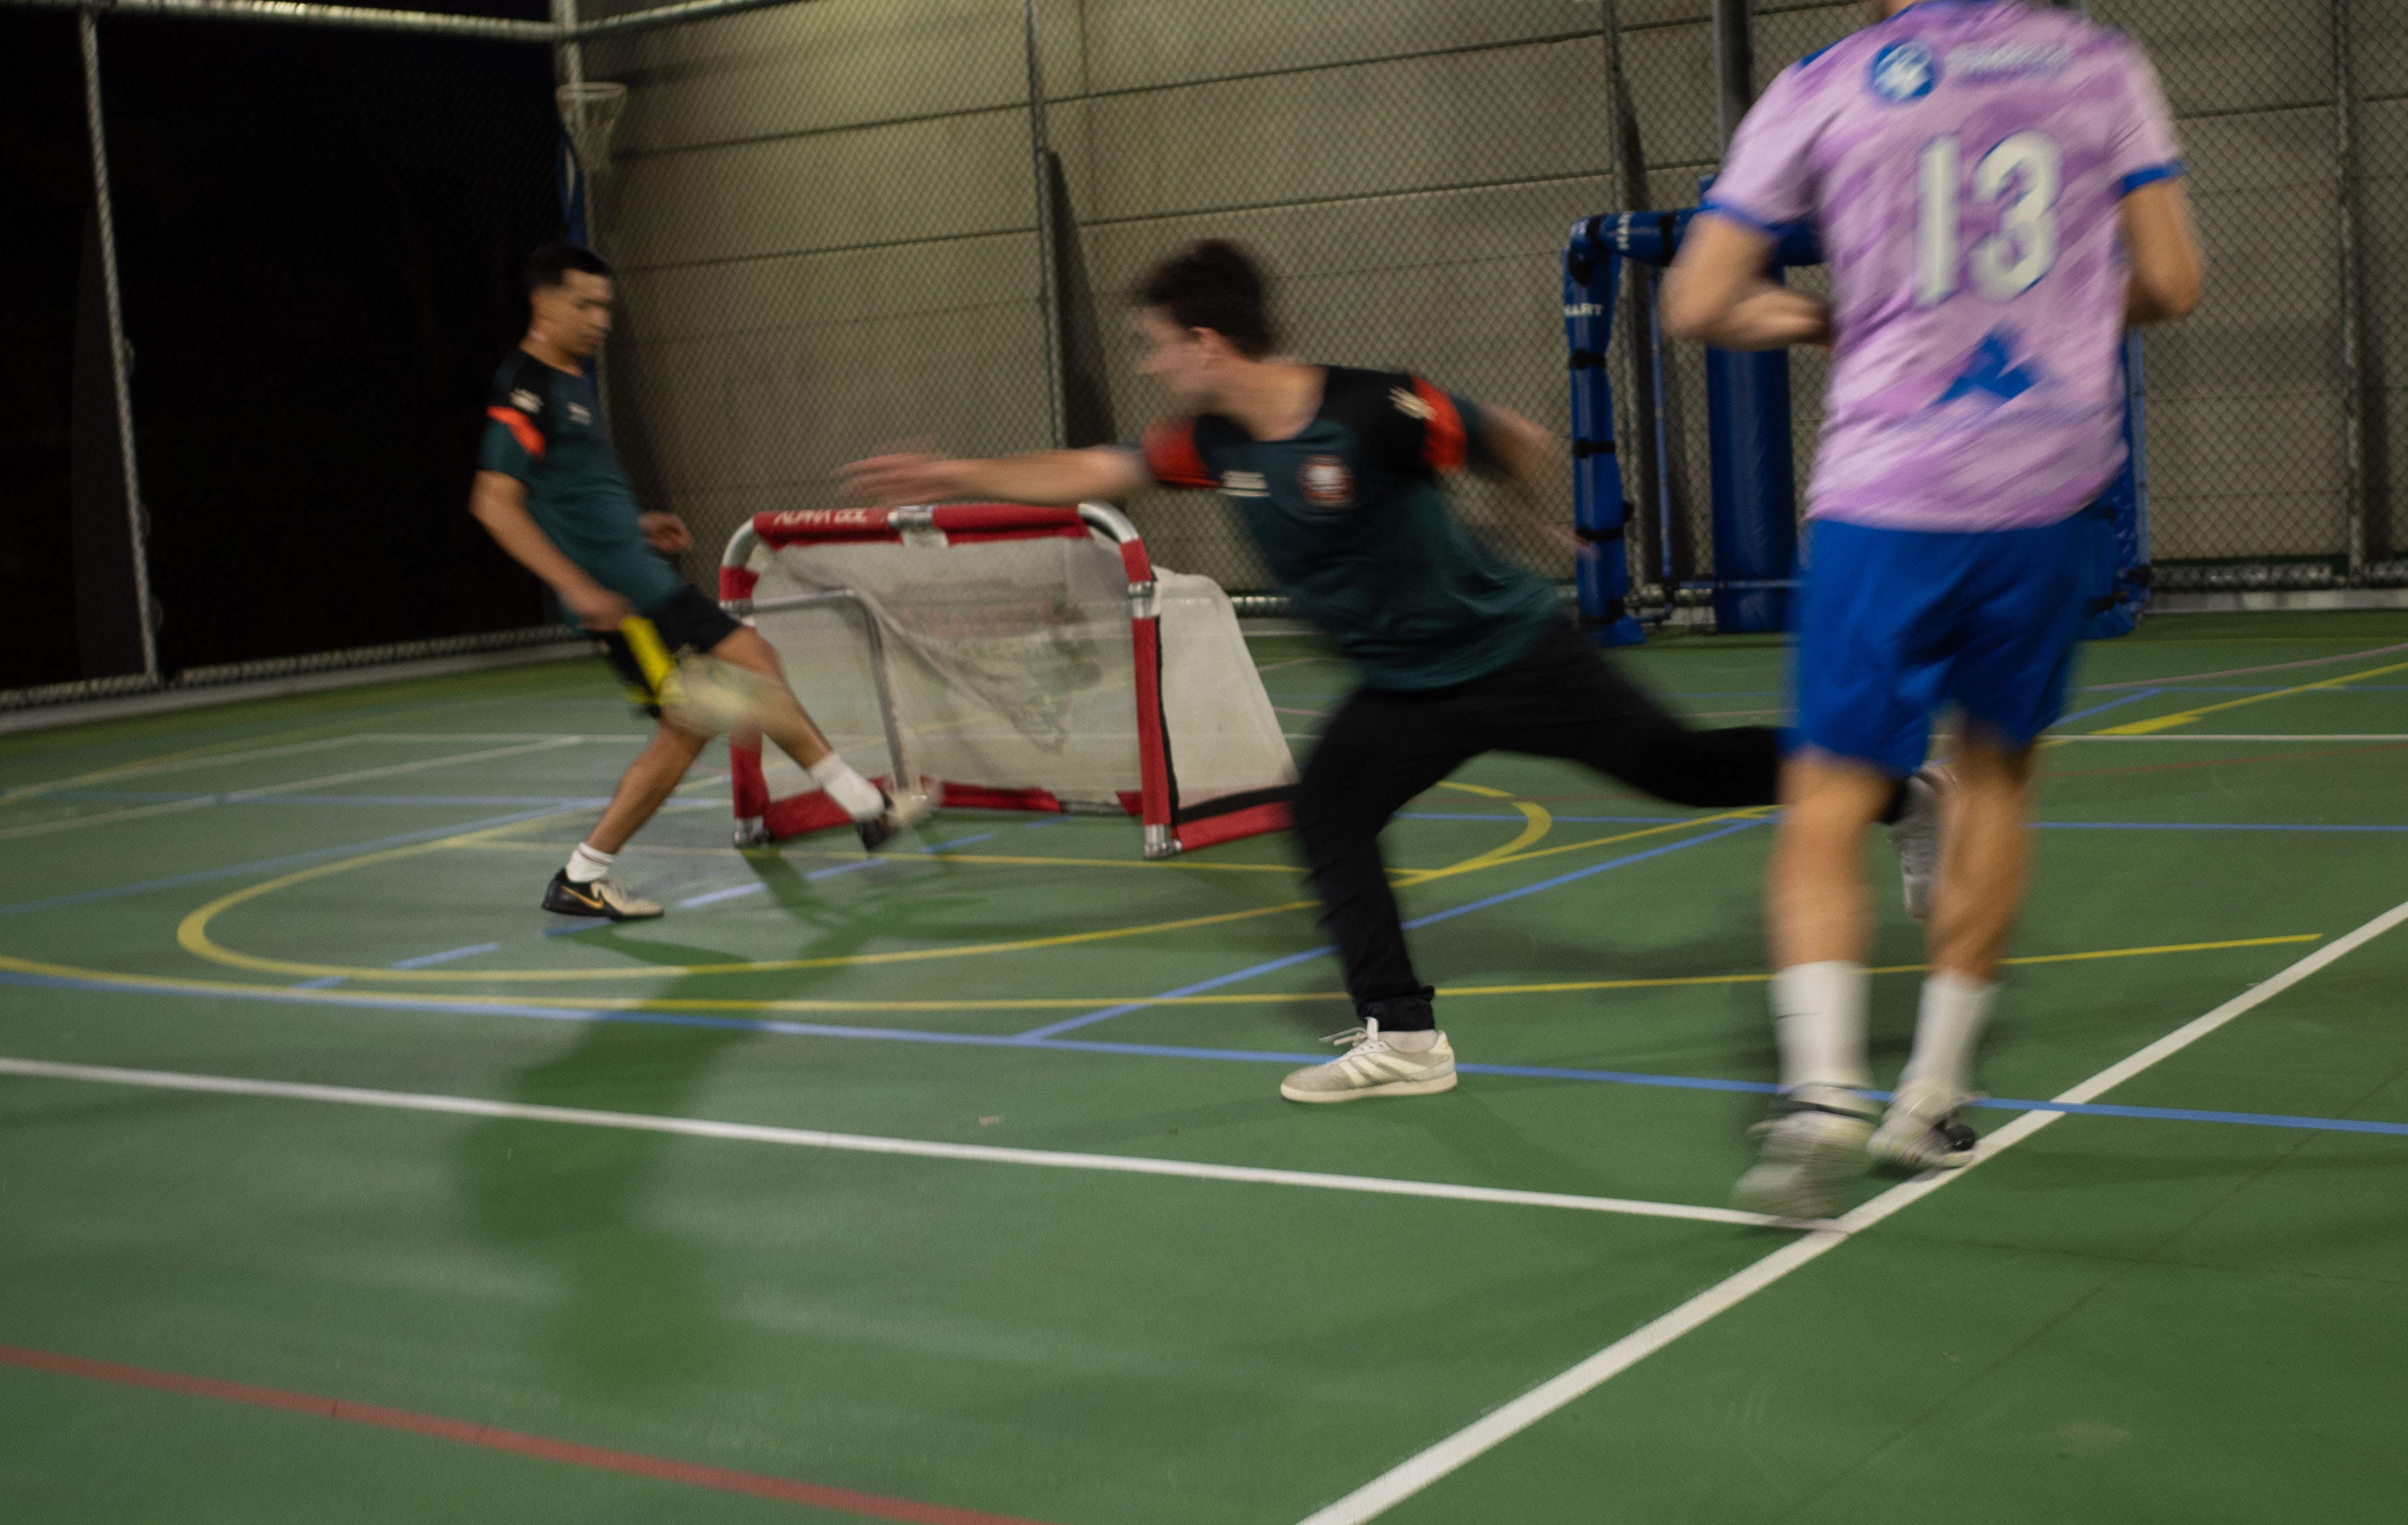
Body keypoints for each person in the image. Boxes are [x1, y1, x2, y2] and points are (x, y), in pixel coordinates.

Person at [840, 239, 1925, 1106]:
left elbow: (1516, 437)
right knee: (1330, 814)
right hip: (1406, 688)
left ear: (1208, 342)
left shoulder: (1375, 409)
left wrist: (1517, 514)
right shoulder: (1214, 443)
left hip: (1511, 653)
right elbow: (1097, 468)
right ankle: (1405, 1037)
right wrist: (957, 471)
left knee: (1681, 771)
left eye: (1155, 346)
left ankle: (1897, 791)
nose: (1149, 364)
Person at [1663, 0, 2206, 1217]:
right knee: (1998, 779)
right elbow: (2173, 280)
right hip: (2049, 485)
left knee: (1828, 800)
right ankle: (1933, 1098)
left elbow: (1697, 300)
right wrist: (2064, 314)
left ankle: (1821, 1103)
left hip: (1892, 491)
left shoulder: (1824, 82)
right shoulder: (2102, 63)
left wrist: (1826, 319)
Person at [471, 243, 930, 920]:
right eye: (584, 305)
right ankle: (583, 875)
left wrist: (637, 528)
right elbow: (495, 503)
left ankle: (866, 809)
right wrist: (579, 587)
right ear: (543, 303)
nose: (601, 320)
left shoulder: (573, 381)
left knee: (756, 665)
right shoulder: (527, 387)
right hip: (625, 606)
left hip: (650, 581)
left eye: (606, 307)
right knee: (696, 725)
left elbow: (570, 497)